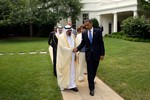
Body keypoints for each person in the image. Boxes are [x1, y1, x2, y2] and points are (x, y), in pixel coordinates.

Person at [73, 19, 105, 96]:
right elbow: (83, 43)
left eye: (88, 25)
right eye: (85, 25)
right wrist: (77, 48)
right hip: (89, 55)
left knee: (94, 70)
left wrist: (102, 54)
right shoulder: (84, 33)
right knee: (90, 71)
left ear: (91, 24)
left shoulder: (98, 31)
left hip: (97, 54)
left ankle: (91, 81)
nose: (86, 27)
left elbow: (101, 43)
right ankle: (91, 88)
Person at [56, 25, 78, 92]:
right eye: (68, 31)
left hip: (72, 56)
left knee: (72, 71)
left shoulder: (73, 36)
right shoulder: (61, 37)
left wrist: (75, 51)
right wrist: (71, 49)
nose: (70, 32)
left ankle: (72, 85)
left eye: (70, 30)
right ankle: (63, 85)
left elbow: (75, 45)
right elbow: (62, 48)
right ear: (65, 30)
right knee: (63, 71)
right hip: (64, 58)